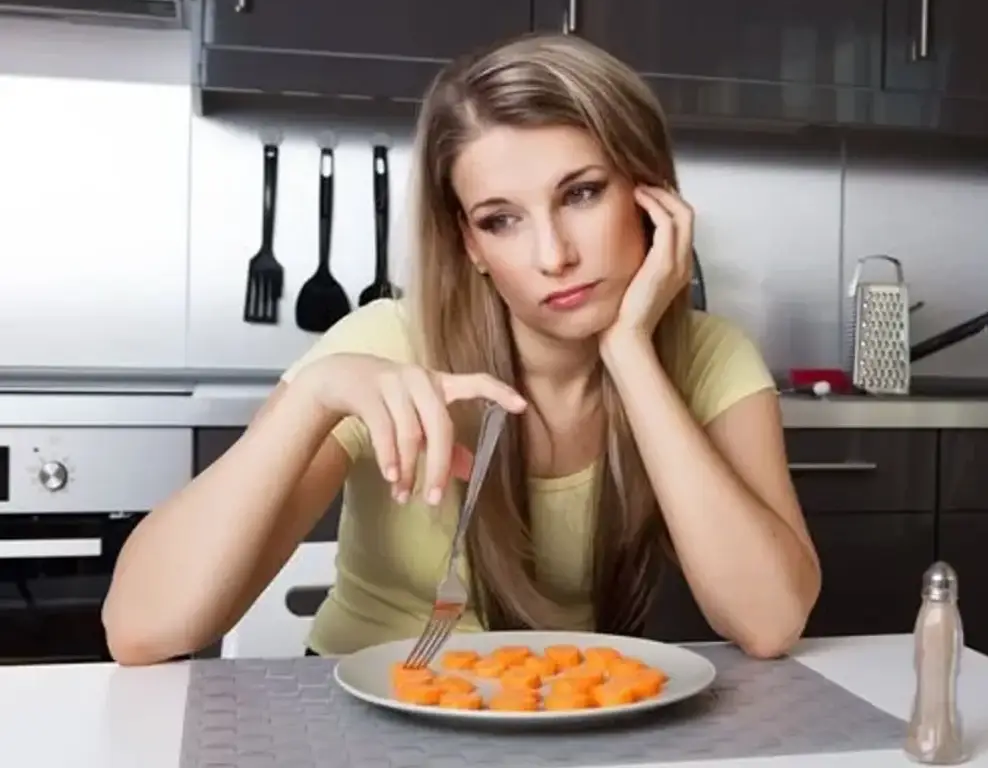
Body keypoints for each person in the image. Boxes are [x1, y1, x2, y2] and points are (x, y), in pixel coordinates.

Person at [101, 32, 822, 666]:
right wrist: (315, 395)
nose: (553, 255)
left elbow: (767, 623)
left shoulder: (711, 358)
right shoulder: (388, 343)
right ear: (470, 244)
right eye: (501, 219)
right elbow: (141, 631)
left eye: (581, 194)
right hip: (366, 718)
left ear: (651, 191)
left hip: (558, 713)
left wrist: (630, 351)